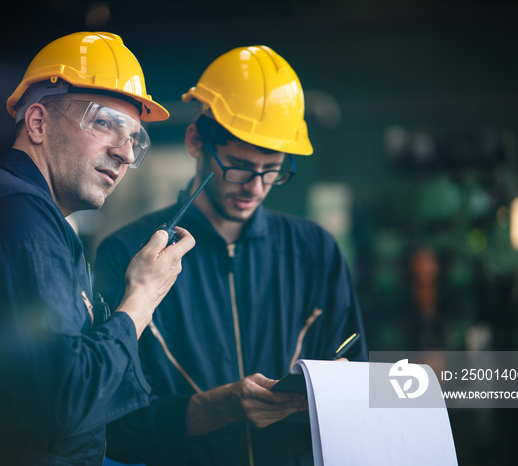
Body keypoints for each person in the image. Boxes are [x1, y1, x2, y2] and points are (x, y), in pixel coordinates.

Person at [0, 32, 195, 466]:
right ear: (37, 123)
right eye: (104, 123)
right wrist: (142, 297)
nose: (125, 153)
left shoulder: (25, 215)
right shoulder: (15, 213)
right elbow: (65, 398)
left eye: (135, 137)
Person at [94, 45, 367, 466]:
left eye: (272, 168)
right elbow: (114, 427)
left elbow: (357, 383)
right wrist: (214, 409)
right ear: (195, 142)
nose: (255, 187)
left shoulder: (316, 251)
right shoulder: (129, 255)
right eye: (239, 165)